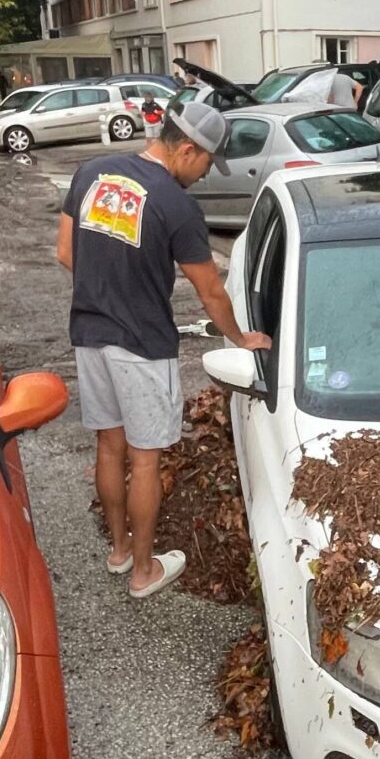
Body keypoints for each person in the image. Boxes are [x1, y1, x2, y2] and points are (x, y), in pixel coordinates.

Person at [55, 102, 271, 598]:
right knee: (145, 460)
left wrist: (108, 290)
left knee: (109, 446)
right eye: (205, 163)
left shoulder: (91, 172)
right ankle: (143, 573)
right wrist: (242, 338)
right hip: (143, 344)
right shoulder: (176, 204)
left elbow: (66, 253)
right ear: (187, 149)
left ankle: (119, 552)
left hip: (89, 335)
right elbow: (211, 292)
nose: (202, 175)